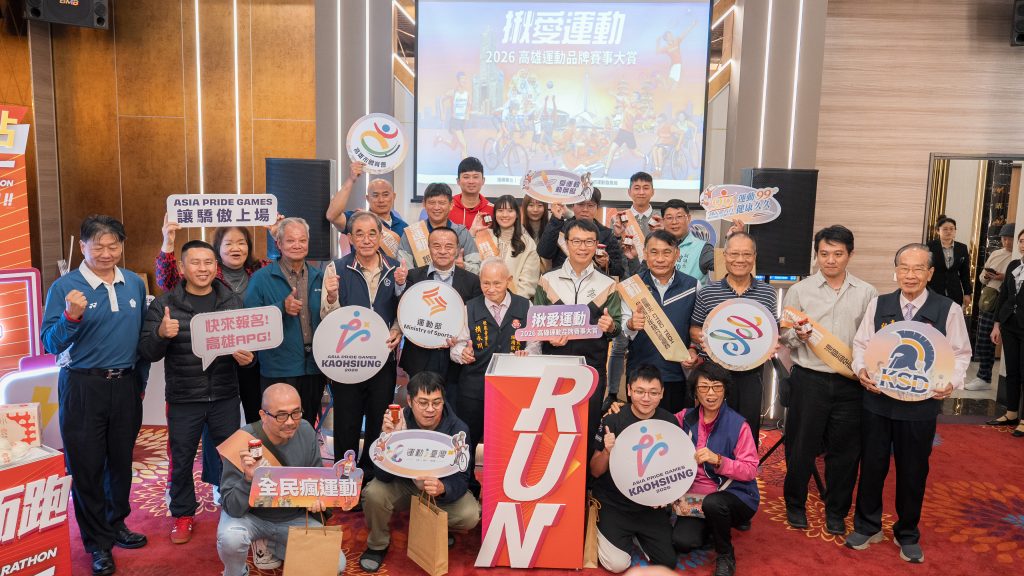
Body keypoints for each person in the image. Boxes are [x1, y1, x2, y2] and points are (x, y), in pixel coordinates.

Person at [847, 243, 970, 563]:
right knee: (872, 465)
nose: (910, 275)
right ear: (896, 271)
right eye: (904, 268)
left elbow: (960, 354)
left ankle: (908, 533)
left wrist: (951, 381)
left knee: (913, 471)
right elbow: (861, 344)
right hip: (877, 401)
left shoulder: (948, 309)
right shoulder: (879, 304)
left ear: (930, 273)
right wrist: (861, 370)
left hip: (920, 406)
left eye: (918, 269)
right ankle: (868, 525)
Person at [41, 215, 149, 576]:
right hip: (83, 386)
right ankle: (97, 543)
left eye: (113, 245)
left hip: (125, 385)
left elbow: (141, 341)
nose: (106, 252)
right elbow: (50, 343)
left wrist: (139, 383)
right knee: (86, 466)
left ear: (121, 245)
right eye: (97, 245)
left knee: (120, 463)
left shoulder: (133, 283)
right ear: (83, 246)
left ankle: (116, 523)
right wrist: (70, 317)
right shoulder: (65, 287)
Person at [138, 240, 252, 544]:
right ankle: (183, 514)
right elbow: (148, 351)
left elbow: (247, 346)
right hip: (184, 396)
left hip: (225, 394)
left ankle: (233, 508)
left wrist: (248, 358)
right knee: (182, 458)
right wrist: (161, 334)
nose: (203, 269)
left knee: (232, 457)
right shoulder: (164, 304)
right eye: (196, 262)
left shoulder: (232, 302)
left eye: (208, 262)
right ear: (182, 267)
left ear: (216, 266)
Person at [779, 225, 877, 535]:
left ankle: (836, 511)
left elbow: (871, 339)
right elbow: (784, 335)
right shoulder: (800, 291)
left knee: (846, 452)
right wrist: (797, 335)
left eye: (837, 254)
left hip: (850, 383)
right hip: (809, 380)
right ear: (816, 255)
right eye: (824, 254)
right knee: (800, 447)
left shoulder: (867, 292)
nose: (830, 260)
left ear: (850, 255)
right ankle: (795, 504)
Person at [359, 372, 481, 572]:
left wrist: (444, 488)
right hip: (403, 484)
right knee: (373, 494)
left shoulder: (458, 429)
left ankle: (440, 527)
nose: (430, 410)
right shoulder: (397, 421)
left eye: (436, 402)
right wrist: (390, 441)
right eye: (423, 403)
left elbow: (462, 478)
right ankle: (377, 544)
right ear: (409, 400)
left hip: (436, 490)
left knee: (470, 514)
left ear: (444, 400)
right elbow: (382, 476)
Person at [216, 384, 344, 576]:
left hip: (293, 517)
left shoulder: (306, 431)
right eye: (281, 415)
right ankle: (237, 572)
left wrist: (317, 500)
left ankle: (273, 545)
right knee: (231, 538)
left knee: (335, 565)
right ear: (263, 415)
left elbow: (317, 482)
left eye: (296, 413)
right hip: (251, 517)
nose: (291, 422)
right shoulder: (242, 441)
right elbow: (232, 507)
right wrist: (248, 479)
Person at [321, 211, 406, 476]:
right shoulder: (336, 268)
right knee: (346, 422)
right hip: (347, 361)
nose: (366, 239)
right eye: (359, 234)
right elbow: (327, 316)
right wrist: (332, 296)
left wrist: (397, 329)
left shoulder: (396, 268)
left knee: (378, 422)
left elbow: (403, 309)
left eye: (372, 233)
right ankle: (345, 477)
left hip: (383, 359)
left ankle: (371, 478)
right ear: (350, 238)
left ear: (380, 236)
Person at [535, 219, 622, 453]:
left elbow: (617, 327)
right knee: (552, 429)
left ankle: (585, 478)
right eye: (576, 241)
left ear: (596, 245)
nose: (583, 247)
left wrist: (610, 326)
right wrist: (548, 336)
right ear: (566, 243)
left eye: (589, 242)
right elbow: (536, 323)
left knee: (586, 428)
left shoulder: (607, 284)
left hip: (591, 369)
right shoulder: (548, 280)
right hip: (554, 366)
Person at [451, 258, 538, 491]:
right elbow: (456, 346)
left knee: (507, 442)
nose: (491, 289)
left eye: (497, 284)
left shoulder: (526, 306)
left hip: (511, 391)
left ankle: (503, 489)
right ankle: (466, 488)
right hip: (473, 389)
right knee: (468, 441)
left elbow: (535, 345)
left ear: (509, 281)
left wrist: (527, 356)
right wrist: (462, 354)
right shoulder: (469, 308)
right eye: (486, 283)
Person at [589, 365, 679, 573]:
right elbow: (595, 471)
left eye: (653, 393)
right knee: (617, 564)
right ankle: (609, 531)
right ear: (629, 390)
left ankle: (639, 537)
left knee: (667, 562)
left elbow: (675, 466)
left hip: (648, 505)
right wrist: (607, 451)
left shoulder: (669, 422)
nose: (646, 398)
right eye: (640, 391)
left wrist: (666, 495)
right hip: (614, 504)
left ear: (662, 393)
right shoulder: (612, 420)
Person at [690, 232, 778, 445]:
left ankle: (745, 466)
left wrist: (771, 344)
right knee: (713, 427)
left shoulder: (768, 293)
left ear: (754, 257)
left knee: (747, 428)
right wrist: (703, 339)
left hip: (751, 373)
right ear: (725, 256)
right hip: (714, 373)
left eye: (746, 254)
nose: (740, 259)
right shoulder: (708, 292)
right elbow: (694, 328)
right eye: (734, 254)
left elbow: (773, 331)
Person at [672, 362, 759, 576]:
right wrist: (621, 410)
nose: (710, 393)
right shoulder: (684, 418)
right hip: (693, 498)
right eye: (703, 387)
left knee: (714, 504)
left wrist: (719, 460)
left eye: (717, 387)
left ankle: (725, 555)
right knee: (682, 542)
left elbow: (750, 470)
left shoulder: (738, 425)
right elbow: (657, 424)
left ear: (725, 390)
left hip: (733, 495)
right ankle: (712, 527)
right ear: (695, 392)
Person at [244, 217, 324, 427]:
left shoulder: (320, 277)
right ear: (278, 243)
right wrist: (281, 308)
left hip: (314, 368)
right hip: (278, 369)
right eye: (290, 240)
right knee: (278, 429)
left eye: (302, 240)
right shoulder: (261, 278)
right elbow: (249, 322)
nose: (297, 245)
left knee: (307, 427)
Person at [400, 226, 481, 410]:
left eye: (449, 246)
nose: (443, 251)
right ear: (428, 248)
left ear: (458, 249)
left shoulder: (472, 281)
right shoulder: (413, 277)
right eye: (437, 246)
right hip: (419, 356)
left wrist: (460, 339)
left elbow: (474, 319)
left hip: (454, 357)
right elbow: (404, 312)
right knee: (420, 408)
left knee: (451, 408)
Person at [620, 229, 700, 412]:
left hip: (678, 375)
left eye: (667, 252)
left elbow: (697, 327)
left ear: (677, 254)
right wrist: (632, 324)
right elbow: (624, 329)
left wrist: (693, 349)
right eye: (654, 252)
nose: (660, 259)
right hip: (640, 376)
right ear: (645, 254)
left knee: (675, 425)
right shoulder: (632, 286)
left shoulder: (692, 285)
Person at [610, 172, 662, 400]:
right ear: (629, 191)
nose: (641, 192)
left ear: (652, 191)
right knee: (620, 342)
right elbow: (614, 255)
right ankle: (614, 393)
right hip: (626, 285)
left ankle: (651, 393)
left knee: (653, 340)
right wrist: (615, 236)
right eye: (637, 188)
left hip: (654, 287)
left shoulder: (659, 221)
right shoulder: (620, 219)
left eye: (645, 187)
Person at [537, 187, 624, 278]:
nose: (585, 209)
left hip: (594, 284)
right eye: (580, 204)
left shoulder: (607, 234)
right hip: (562, 281)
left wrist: (607, 263)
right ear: (573, 205)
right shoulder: (560, 228)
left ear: (597, 207)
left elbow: (619, 271)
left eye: (590, 205)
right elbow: (544, 253)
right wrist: (555, 220)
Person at [969, 223, 1015, 391]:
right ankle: (983, 377)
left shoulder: (1017, 257)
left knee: (1010, 343)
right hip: (990, 301)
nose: (1006, 242)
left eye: (1010, 239)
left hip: (1008, 303)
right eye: (1004, 238)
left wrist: (1004, 277)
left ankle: (1007, 381)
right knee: (984, 339)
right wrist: (988, 276)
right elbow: (981, 277)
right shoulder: (995, 254)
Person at [398, 182, 481, 274]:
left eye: (442, 203)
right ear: (424, 204)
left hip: (456, 282)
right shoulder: (412, 233)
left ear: (451, 205)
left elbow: (477, 268)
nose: (436, 207)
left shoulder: (462, 233)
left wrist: (464, 266)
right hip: (421, 283)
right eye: (432, 203)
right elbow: (405, 269)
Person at [989, 228, 1024, 434]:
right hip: (1009, 324)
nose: (1023, 245)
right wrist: (997, 324)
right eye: (1021, 241)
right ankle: (1011, 413)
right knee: (1012, 371)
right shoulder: (1013, 265)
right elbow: (1003, 296)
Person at [324, 161, 409, 238]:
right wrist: (351, 179)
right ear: (367, 198)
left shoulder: (404, 227)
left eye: (385, 195)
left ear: (393, 196)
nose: (381, 200)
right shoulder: (357, 218)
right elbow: (332, 215)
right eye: (375, 195)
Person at [489, 194, 541, 299]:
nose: (505, 215)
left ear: (517, 214)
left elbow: (529, 281)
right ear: (494, 214)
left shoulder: (527, 243)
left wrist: (514, 303)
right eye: (500, 210)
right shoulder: (485, 237)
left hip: (516, 301)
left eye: (510, 211)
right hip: (485, 299)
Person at [661, 199, 714, 286]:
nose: (674, 222)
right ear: (663, 221)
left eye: (679, 216)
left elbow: (725, 268)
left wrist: (733, 240)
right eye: (669, 218)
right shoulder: (655, 246)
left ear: (688, 218)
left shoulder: (703, 248)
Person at [926, 215, 972, 308]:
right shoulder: (929, 247)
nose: (949, 231)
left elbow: (965, 273)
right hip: (933, 290)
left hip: (955, 291)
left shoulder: (962, 248)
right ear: (938, 231)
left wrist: (967, 293)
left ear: (955, 230)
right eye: (945, 229)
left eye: (952, 229)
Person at [449, 156, 494, 228]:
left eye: (475, 177)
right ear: (458, 181)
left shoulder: (492, 210)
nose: (471, 181)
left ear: (483, 180)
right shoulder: (448, 207)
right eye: (466, 177)